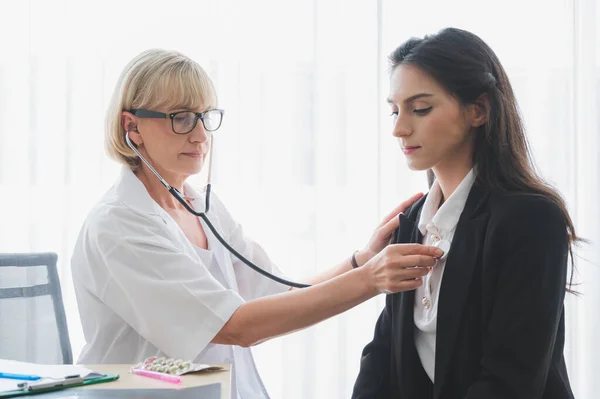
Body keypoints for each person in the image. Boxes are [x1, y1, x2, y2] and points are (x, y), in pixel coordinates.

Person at [70, 49, 444, 399]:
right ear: (132, 128)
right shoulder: (120, 225)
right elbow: (238, 326)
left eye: (205, 117)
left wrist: (362, 260)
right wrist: (371, 279)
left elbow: (280, 297)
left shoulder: (203, 207)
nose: (200, 135)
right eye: (180, 118)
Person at [352, 27, 577, 399]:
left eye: (420, 109)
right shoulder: (411, 222)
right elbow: (382, 360)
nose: (399, 128)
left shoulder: (532, 219)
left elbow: (511, 382)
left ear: (479, 110)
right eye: (394, 110)